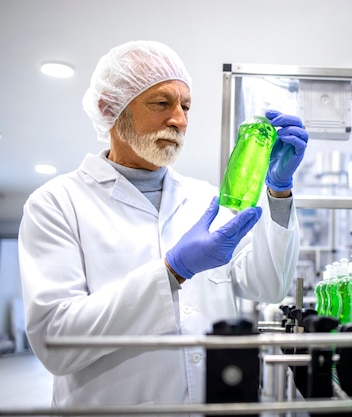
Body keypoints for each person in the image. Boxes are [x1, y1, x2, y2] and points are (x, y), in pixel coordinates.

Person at [18, 40, 308, 411]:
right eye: (162, 103)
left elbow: (268, 284)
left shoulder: (207, 199)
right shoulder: (57, 203)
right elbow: (54, 342)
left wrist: (279, 192)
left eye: (185, 106)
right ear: (111, 107)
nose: (180, 120)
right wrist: (172, 270)